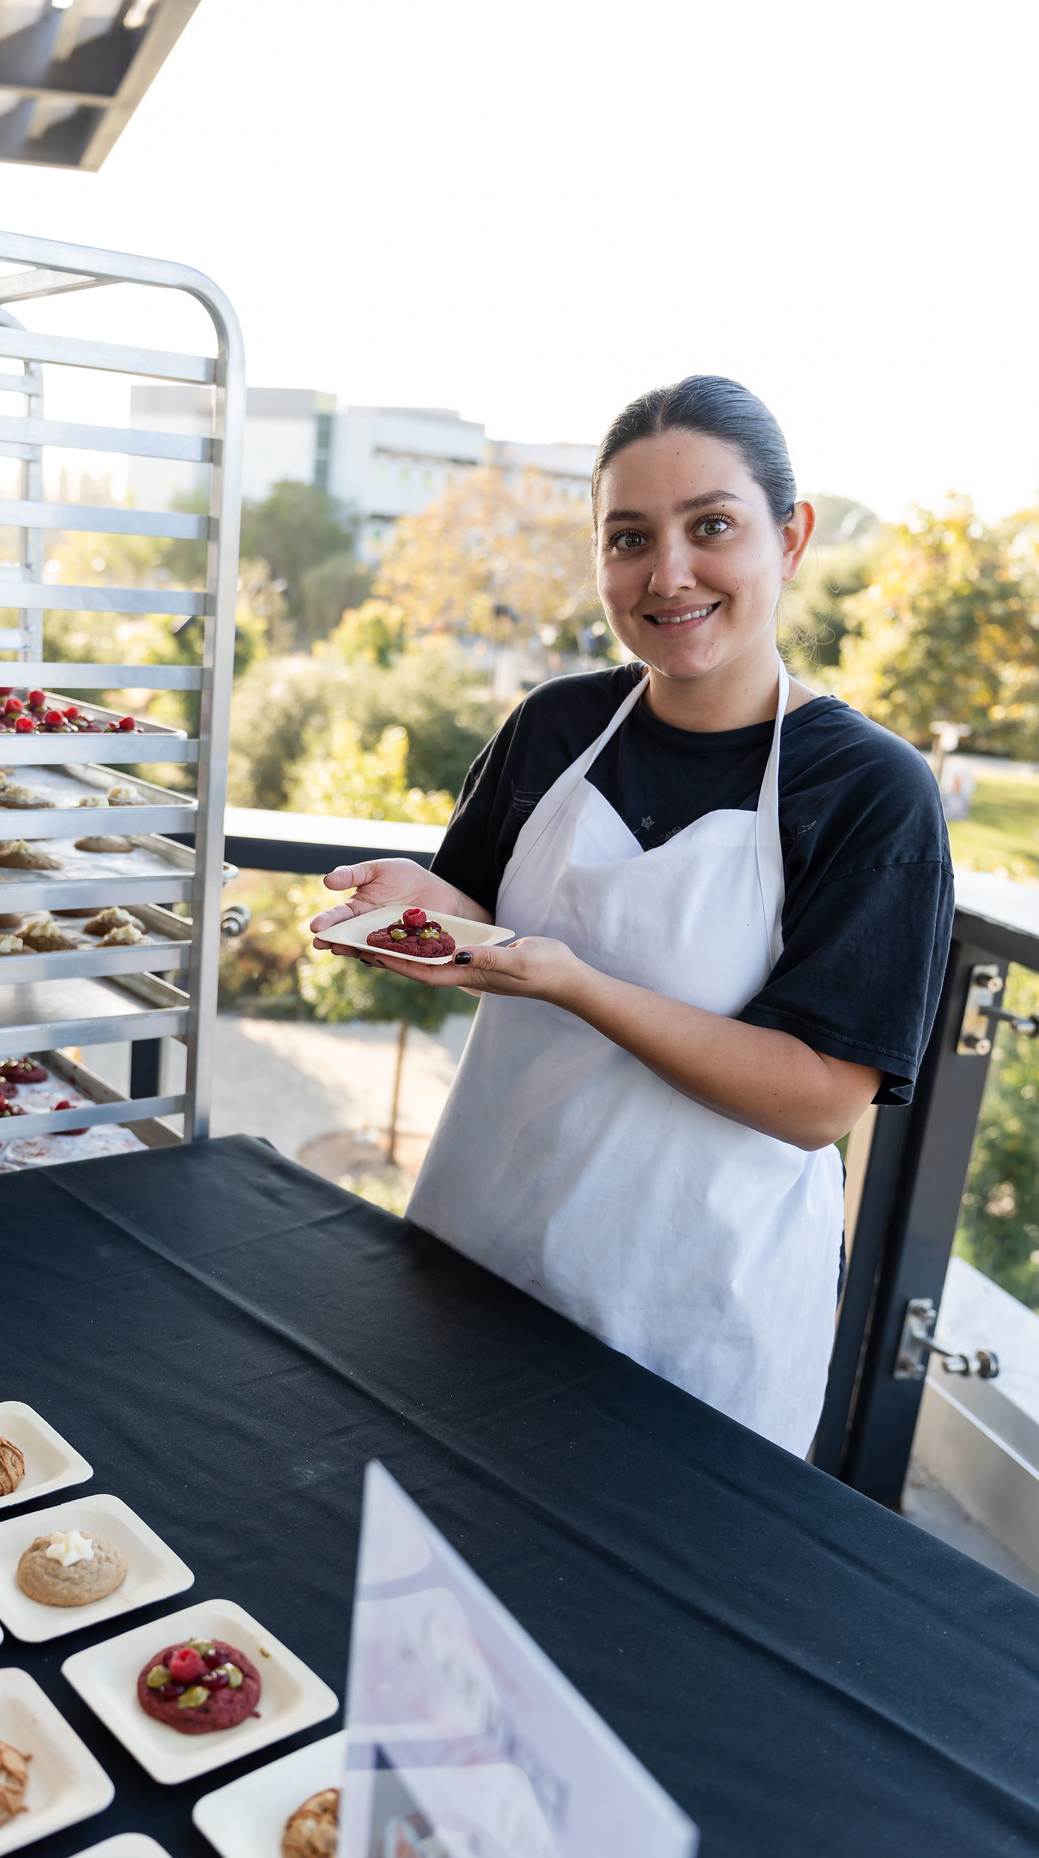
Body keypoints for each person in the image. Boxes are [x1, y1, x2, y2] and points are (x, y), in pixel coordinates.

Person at [311, 375, 953, 1456]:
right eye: (628, 537)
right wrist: (432, 911)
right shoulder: (556, 724)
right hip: (483, 1242)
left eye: (711, 526)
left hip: (691, 1319)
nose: (667, 574)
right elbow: (489, 923)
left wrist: (578, 983)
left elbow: (817, 1097)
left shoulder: (870, 789)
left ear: (790, 538)